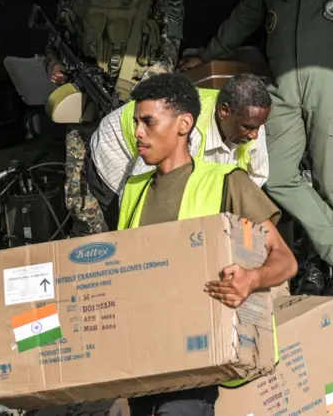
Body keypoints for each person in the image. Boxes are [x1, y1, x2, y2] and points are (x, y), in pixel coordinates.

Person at [118, 73, 297, 416]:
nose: (138, 132)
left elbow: (285, 259)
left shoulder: (228, 181)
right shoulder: (134, 189)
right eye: (137, 122)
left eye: (148, 122)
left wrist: (251, 279)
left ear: (183, 124)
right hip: (144, 363)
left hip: (195, 364)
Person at [177, 0, 333, 296]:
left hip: (331, 82)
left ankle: (319, 263)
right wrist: (207, 55)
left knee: (329, 180)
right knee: (276, 172)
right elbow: (244, 16)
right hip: (283, 85)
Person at [44, 0, 185, 237]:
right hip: (88, 102)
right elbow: (57, 38)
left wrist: (140, 101)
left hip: (136, 110)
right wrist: (53, 64)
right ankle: (95, 257)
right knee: (80, 196)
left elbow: (169, 53)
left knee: (140, 190)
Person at [90, 73, 271, 228]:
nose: (255, 135)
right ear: (224, 111)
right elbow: (143, 192)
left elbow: (252, 183)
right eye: (249, 127)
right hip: (118, 151)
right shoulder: (185, 130)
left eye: (258, 127)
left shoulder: (252, 122)